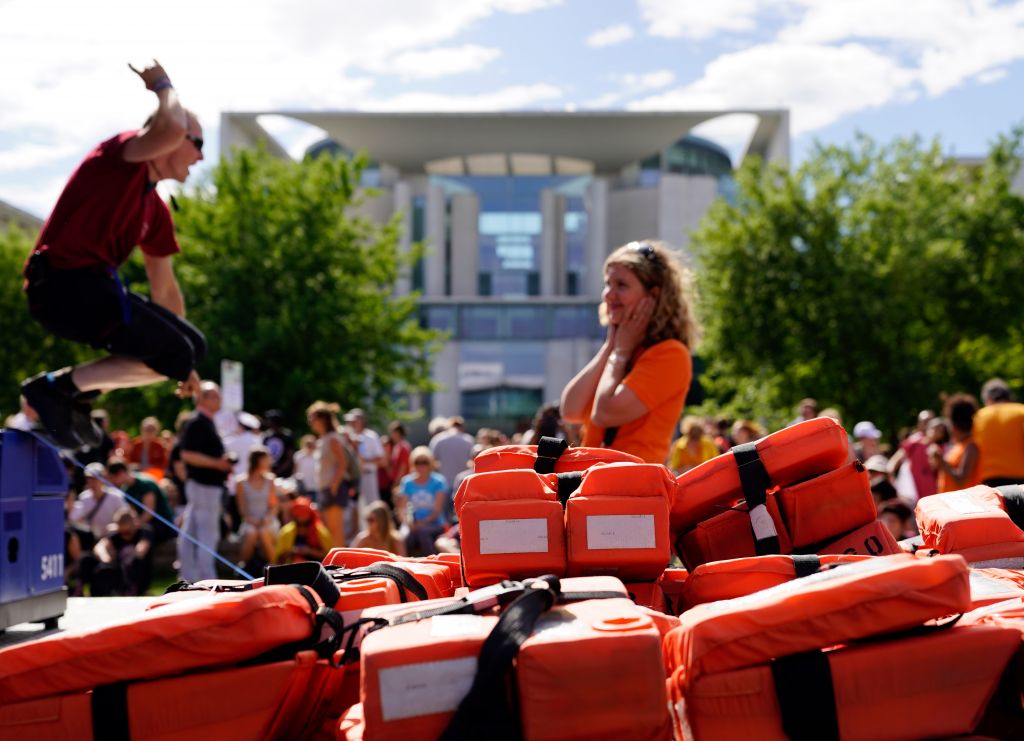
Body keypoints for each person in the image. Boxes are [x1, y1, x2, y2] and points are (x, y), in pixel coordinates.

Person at [19, 60, 206, 449]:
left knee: (189, 350)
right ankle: (54, 390)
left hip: (96, 288)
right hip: (59, 283)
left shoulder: (156, 210)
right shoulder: (120, 156)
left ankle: (75, 393)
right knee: (174, 352)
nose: (201, 157)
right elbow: (169, 125)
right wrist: (162, 85)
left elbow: (165, 290)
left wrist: (184, 364)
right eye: (198, 144)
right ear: (174, 139)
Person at [561, 241, 696, 464]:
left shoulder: (671, 354)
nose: (608, 295)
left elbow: (604, 414)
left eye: (621, 285)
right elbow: (570, 410)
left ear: (653, 296)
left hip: (631, 490)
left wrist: (620, 353)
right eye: (607, 284)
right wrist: (611, 347)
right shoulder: (623, 350)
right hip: (596, 486)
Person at [178, 381, 233, 582]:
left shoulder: (206, 422)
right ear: (202, 398)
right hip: (204, 486)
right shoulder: (197, 422)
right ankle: (206, 578)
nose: (219, 400)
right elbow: (187, 454)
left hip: (204, 485)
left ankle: (190, 576)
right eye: (214, 396)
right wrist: (217, 464)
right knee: (207, 534)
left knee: (191, 531)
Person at [307, 401, 354, 548]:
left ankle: (340, 566)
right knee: (328, 530)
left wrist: (334, 484)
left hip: (333, 489)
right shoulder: (323, 439)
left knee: (336, 530)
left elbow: (343, 463)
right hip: (325, 488)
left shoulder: (333, 438)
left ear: (322, 419)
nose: (310, 422)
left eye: (312, 418)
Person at [105, 456, 175, 543]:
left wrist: (132, 526)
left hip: (162, 526)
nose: (112, 482)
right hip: (145, 524)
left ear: (121, 473)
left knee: (143, 532)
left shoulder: (145, 484)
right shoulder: (126, 490)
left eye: (113, 478)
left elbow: (149, 513)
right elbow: (132, 514)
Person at [396, 447, 448, 556]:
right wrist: (408, 523)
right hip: (412, 522)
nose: (421, 465)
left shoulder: (439, 482)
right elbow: (402, 508)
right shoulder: (407, 482)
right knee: (403, 537)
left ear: (431, 464)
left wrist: (422, 523)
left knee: (423, 533)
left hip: (434, 522)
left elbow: (437, 510)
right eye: (417, 462)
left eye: (424, 462)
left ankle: (433, 564)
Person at [90, 507, 153, 596]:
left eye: (128, 531)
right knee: (102, 568)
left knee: (135, 562)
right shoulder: (115, 535)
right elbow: (99, 547)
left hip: (139, 574)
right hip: (119, 573)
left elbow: (141, 549)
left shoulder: (144, 532)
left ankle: (134, 590)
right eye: (123, 531)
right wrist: (106, 558)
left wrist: (131, 558)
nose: (125, 534)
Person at [973, 378, 1024, 486]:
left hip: (989, 481)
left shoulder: (978, 416)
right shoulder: (1021, 411)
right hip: (1021, 480)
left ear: (988, 400)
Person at [235, 447, 278, 567]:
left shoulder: (270, 480)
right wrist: (251, 520)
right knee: (251, 532)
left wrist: (266, 519)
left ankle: (273, 566)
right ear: (258, 461)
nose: (269, 461)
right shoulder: (241, 482)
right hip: (250, 521)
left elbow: (273, 507)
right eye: (266, 459)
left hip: (268, 520)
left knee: (264, 531)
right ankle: (242, 567)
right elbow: (242, 509)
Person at [931, 393, 981, 493]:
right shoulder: (958, 445)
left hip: (964, 505)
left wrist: (942, 462)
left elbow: (962, 480)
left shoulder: (971, 446)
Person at [345, 408, 385, 531]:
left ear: (361, 420)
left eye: (355, 420)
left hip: (367, 475)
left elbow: (381, 460)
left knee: (372, 506)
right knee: (353, 508)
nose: (352, 423)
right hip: (352, 478)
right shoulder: (348, 436)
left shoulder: (371, 436)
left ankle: (377, 532)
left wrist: (364, 460)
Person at [68, 462, 125, 544]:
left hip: (113, 539)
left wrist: (116, 527)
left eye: (95, 479)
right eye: (89, 479)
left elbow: (126, 518)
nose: (91, 483)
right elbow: (74, 519)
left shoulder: (116, 496)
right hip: (93, 540)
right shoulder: (84, 498)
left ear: (103, 479)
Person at [888, 410, 938, 499]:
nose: (927, 424)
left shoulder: (940, 441)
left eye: (930, 421)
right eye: (924, 422)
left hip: (936, 492)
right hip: (916, 492)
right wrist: (890, 473)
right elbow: (897, 458)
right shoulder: (913, 440)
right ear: (919, 424)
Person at [274, 496, 332, 564]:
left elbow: (330, 557)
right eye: (298, 514)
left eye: (304, 525)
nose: (301, 518)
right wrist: (291, 552)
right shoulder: (286, 532)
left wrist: (309, 551)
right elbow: (278, 560)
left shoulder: (321, 532)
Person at [262, 410, 295, 478]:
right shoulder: (266, 436)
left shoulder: (287, 436)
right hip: (269, 475)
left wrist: (277, 472)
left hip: (284, 476)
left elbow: (289, 458)